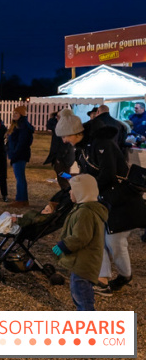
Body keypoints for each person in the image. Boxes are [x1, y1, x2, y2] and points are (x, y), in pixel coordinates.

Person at [56, 108, 146, 295]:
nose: (63, 140)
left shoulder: (101, 144)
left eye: (65, 136)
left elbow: (108, 174)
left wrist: (85, 188)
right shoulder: (85, 148)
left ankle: (124, 275)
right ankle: (102, 280)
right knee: (98, 238)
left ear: (76, 133)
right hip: (104, 200)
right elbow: (89, 175)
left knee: (115, 242)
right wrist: (73, 182)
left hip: (121, 201)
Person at [51, 174, 108, 311]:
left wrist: (61, 247)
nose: (70, 192)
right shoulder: (86, 208)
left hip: (83, 262)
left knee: (81, 293)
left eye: (72, 189)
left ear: (81, 192)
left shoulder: (85, 213)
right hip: (84, 261)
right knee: (81, 291)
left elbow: (80, 237)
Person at [6, 105, 34, 208]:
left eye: (16, 113)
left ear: (22, 115)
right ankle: (20, 198)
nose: (14, 115)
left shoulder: (23, 127)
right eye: (13, 113)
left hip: (19, 155)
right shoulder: (18, 126)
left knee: (20, 177)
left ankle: (21, 199)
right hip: (17, 154)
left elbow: (22, 143)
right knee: (19, 177)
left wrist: (15, 153)